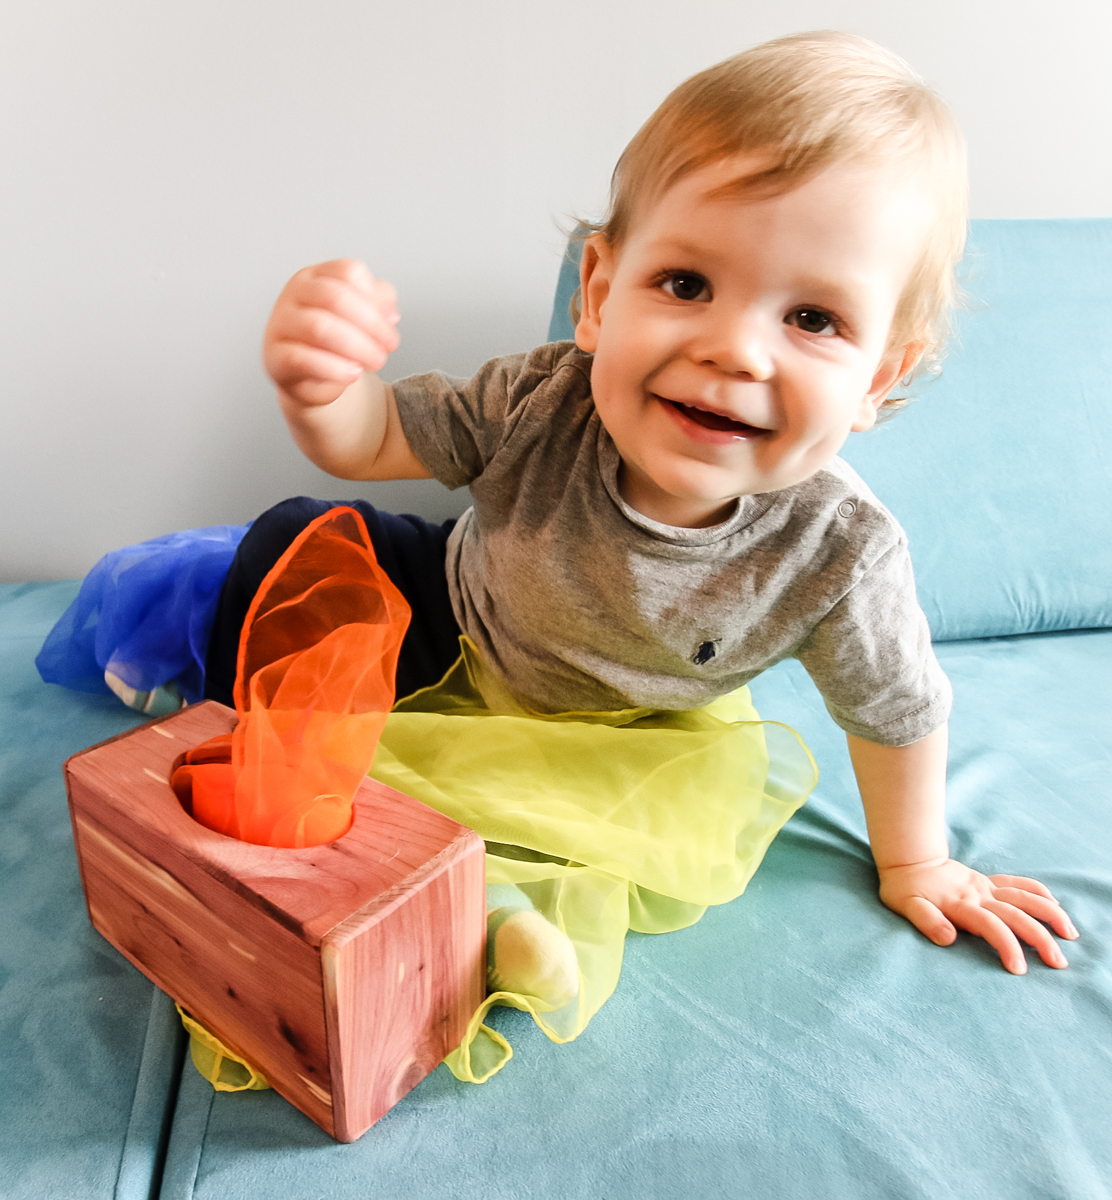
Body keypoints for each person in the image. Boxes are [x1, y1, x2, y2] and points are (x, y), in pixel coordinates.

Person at [43, 30, 1081, 1080]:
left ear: (876, 381)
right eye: (684, 284)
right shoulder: (542, 400)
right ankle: (235, 743)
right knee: (297, 544)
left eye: (811, 317)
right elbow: (376, 441)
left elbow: (895, 710)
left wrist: (918, 861)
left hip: (633, 731)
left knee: (580, 823)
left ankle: (496, 918)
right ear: (596, 291)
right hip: (454, 617)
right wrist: (321, 390)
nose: (734, 346)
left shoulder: (836, 553)